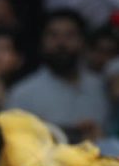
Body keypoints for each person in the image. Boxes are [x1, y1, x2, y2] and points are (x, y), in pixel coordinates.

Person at [9, 9, 112, 140]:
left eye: (70, 35)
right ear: (41, 42)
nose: (61, 43)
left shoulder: (102, 86)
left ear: (83, 42)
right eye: (53, 35)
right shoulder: (23, 94)